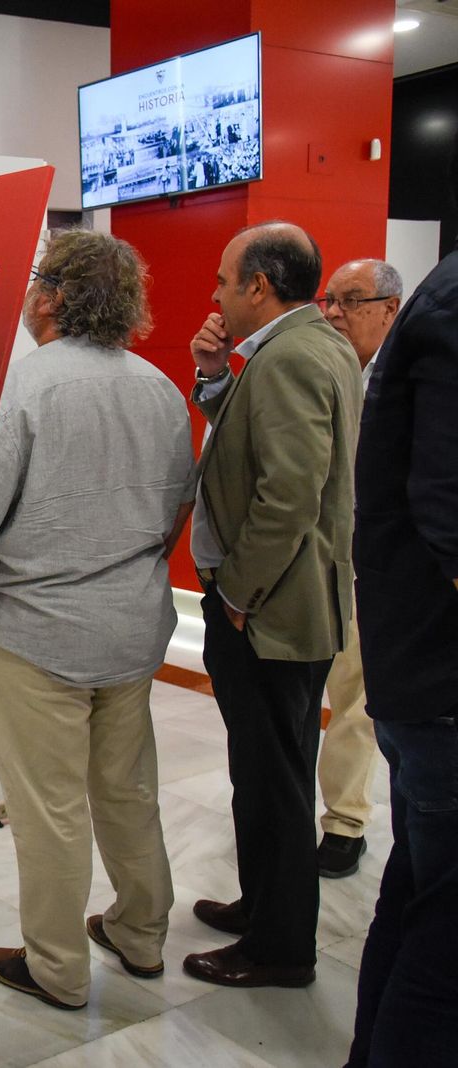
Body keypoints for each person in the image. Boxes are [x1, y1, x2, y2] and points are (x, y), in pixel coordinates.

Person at [0, 230, 193, 1010]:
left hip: (34, 637)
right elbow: (173, 516)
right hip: (129, 630)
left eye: (32, 286)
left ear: (51, 297)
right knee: (128, 791)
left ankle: (56, 969)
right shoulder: (159, 388)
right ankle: (141, 933)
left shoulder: (22, 390)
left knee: (48, 810)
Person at [182, 221, 360, 988]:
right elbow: (254, 445)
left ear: (259, 286)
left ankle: (280, 948)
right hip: (278, 609)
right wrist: (216, 374)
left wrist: (239, 594)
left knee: (277, 782)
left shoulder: (291, 357)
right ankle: (263, 908)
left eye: (225, 281)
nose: (217, 295)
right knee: (263, 772)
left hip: (273, 614)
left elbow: (287, 494)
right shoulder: (301, 350)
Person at [346, 243, 458, 1066]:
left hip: (420, 669)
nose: (336, 313)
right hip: (438, 679)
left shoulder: (437, 299)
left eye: (350, 300)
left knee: (421, 894)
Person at [315, 258, 402, 879]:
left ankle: (345, 822)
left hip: (379, 564)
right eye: (329, 300)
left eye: (351, 300)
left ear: (389, 308)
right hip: (321, 556)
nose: (335, 312)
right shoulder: (325, 367)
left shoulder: (407, 378)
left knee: (355, 695)